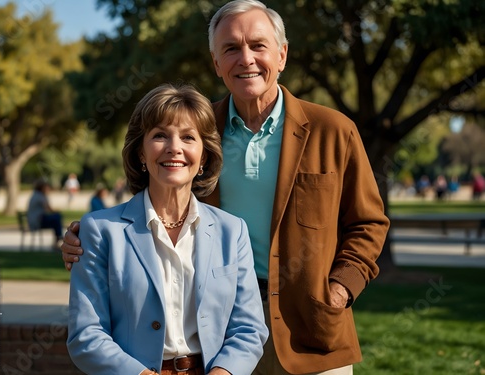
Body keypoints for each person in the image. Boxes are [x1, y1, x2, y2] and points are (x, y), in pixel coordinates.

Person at [62, 1, 390, 374]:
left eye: (258, 45)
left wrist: (338, 290)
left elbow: (369, 222)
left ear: (282, 55)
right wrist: (88, 236)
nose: (245, 58)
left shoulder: (332, 130)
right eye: (231, 48)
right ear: (216, 63)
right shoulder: (198, 131)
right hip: (220, 329)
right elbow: (163, 195)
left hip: (312, 327)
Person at [66, 83, 268, 375]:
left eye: (188, 137)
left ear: (205, 156)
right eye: (160, 135)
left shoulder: (232, 231)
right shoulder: (99, 231)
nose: (175, 148)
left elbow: (249, 328)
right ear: (140, 153)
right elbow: (86, 334)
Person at [26, 179, 63, 249]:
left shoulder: (35, 195)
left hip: (35, 220)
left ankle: (58, 238)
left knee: (55, 220)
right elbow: (49, 208)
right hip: (37, 222)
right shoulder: (40, 196)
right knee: (57, 218)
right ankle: (59, 237)